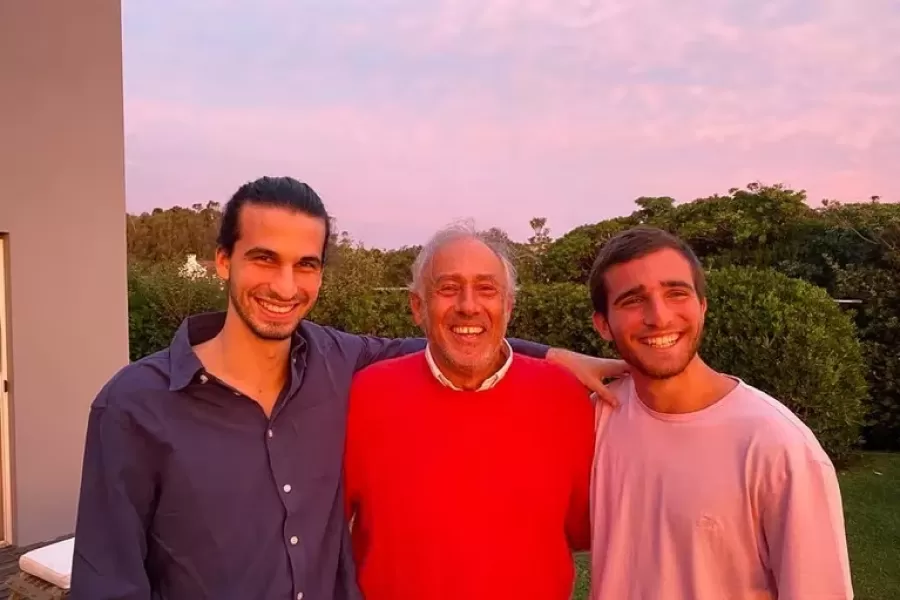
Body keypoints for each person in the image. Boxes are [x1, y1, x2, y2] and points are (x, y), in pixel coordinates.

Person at [69, 176, 626, 600]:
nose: (285, 285)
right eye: (264, 259)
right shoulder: (133, 407)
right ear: (223, 261)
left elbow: (456, 341)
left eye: (305, 264)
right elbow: (107, 582)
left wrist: (553, 356)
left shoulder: (340, 363)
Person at [586, 226, 854, 600]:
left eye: (676, 293)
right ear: (602, 324)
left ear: (702, 306)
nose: (659, 317)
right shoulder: (598, 419)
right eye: (633, 300)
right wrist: (551, 358)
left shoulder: (777, 446)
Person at [343, 224, 597, 600]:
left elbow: (582, 529)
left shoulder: (566, 397)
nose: (468, 305)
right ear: (418, 307)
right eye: (448, 288)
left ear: (508, 306)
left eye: (486, 289)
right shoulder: (365, 395)